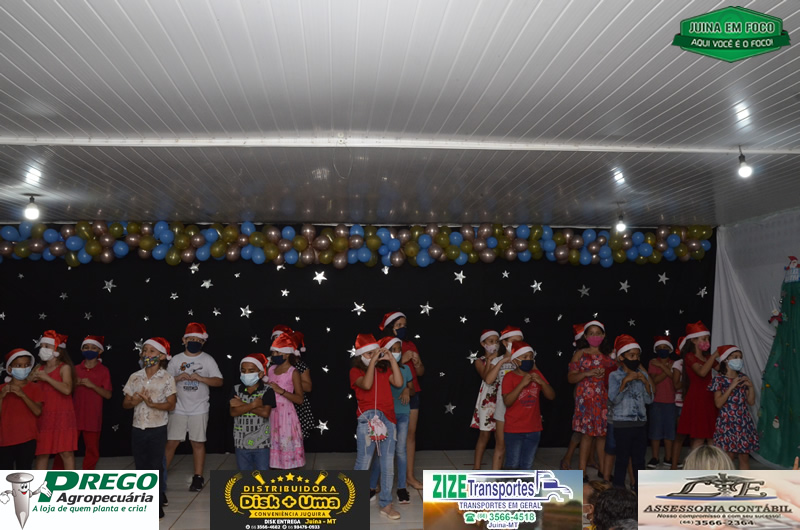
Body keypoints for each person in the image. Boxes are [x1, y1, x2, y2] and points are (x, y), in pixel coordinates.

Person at [351, 333, 404, 520]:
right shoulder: (355, 371)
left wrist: (391, 360)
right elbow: (366, 385)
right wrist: (373, 362)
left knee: (387, 464)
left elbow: (399, 383)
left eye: (376, 353)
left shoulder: (384, 370)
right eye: (369, 354)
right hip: (368, 418)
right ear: (361, 355)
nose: (374, 356)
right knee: (364, 462)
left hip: (388, 419)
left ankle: (386, 504)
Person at [165, 322, 224, 492]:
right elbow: (164, 382)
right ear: (184, 340)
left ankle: (198, 477)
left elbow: (219, 381)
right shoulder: (176, 359)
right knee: (172, 442)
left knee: (197, 442)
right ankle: (160, 475)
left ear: (203, 342)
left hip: (199, 408)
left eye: (198, 340)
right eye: (190, 339)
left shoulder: (207, 359)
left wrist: (202, 379)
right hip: (178, 407)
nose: (194, 342)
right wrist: (177, 378)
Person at [122, 337, 177, 519]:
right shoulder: (135, 377)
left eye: (152, 351)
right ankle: (143, 502)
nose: (147, 354)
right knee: (141, 466)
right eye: (145, 350)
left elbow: (171, 404)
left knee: (155, 466)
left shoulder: (167, 378)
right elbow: (125, 404)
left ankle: (156, 503)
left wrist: (153, 404)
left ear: (161, 356)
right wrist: (134, 401)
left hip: (157, 428)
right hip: (138, 427)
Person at [379, 312, 424, 490]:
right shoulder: (384, 345)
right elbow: (381, 371)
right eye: (398, 325)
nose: (402, 328)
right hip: (392, 395)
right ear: (390, 327)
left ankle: (409, 477)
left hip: (413, 393)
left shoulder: (411, 344)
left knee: (409, 436)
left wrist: (418, 363)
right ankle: (380, 479)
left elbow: (420, 372)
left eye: (404, 325)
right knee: (385, 438)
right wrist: (401, 360)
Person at [568, 321, 616, 481]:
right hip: (586, 399)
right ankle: (582, 471)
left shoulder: (609, 355)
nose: (595, 336)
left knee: (602, 435)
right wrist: (587, 373)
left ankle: (603, 469)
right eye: (591, 333)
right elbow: (570, 378)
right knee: (587, 435)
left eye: (598, 333)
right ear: (586, 336)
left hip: (604, 399)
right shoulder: (580, 354)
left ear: (603, 335)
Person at [369, 336, 414, 504]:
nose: (396, 352)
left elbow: (412, 388)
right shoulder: (380, 370)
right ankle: (371, 486)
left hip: (402, 413)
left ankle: (401, 488)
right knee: (382, 451)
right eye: (392, 350)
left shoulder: (406, 369)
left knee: (400, 450)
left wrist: (407, 390)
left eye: (398, 349)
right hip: (385, 415)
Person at [607, 334, 654, 490]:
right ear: (621, 357)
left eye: (637, 356)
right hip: (622, 425)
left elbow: (649, 400)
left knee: (639, 460)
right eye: (631, 355)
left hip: (640, 424)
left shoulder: (643, 375)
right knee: (622, 459)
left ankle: (640, 490)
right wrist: (625, 382)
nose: (635, 359)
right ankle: (619, 491)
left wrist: (646, 383)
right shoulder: (615, 376)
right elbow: (614, 399)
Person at [501, 341, 554, 469]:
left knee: (527, 464)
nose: (529, 360)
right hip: (514, 429)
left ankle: (524, 482)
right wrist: (522, 384)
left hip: (534, 429)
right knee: (512, 464)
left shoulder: (537, 375)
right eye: (525, 357)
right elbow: (507, 402)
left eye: (531, 357)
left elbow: (551, 396)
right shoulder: (509, 377)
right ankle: (510, 482)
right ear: (516, 360)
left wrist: (542, 382)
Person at [62, 335, 112, 470]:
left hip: (92, 417)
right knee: (65, 447)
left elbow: (108, 395)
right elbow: (64, 390)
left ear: (100, 351)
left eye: (93, 348)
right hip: (73, 416)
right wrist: (73, 384)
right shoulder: (74, 369)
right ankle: (58, 473)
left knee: (92, 449)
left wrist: (93, 386)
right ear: (81, 350)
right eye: (86, 347)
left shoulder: (104, 370)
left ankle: (87, 474)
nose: (89, 350)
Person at [32, 330, 77, 470]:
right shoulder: (39, 368)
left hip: (62, 416)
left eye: (47, 346)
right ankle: (39, 483)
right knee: (42, 453)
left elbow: (67, 389)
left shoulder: (64, 368)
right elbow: (28, 384)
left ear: (58, 350)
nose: (43, 349)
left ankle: (71, 482)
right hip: (44, 415)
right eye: (42, 346)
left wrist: (47, 378)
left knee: (66, 452)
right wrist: (30, 378)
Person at [710, 345, 758, 469]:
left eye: (740, 357)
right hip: (727, 422)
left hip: (743, 422)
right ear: (726, 360)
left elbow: (751, 402)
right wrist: (731, 386)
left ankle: (744, 480)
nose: (739, 360)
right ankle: (727, 480)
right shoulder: (719, 379)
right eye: (735, 357)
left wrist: (751, 387)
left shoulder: (742, 377)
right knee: (728, 457)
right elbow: (718, 403)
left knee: (744, 457)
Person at [484, 326, 524, 470]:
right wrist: (502, 361)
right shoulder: (497, 360)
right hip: (503, 408)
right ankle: (496, 477)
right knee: (501, 445)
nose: (517, 344)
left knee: (518, 446)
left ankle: (516, 477)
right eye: (514, 341)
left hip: (521, 408)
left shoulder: (524, 358)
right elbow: (489, 380)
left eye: (520, 341)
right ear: (505, 343)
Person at [676, 322, 718, 454]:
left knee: (712, 436)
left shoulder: (707, 357)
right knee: (699, 437)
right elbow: (702, 373)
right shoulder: (690, 357)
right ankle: (693, 465)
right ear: (694, 340)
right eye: (704, 339)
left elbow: (722, 370)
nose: (707, 342)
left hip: (710, 398)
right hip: (697, 398)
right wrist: (714, 356)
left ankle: (714, 464)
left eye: (708, 339)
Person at [230, 353, 275, 471]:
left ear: (260, 374)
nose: (246, 374)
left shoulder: (267, 390)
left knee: (263, 472)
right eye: (243, 371)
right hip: (240, 442)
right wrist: (253, 405)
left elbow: (265, 413)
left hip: (262, 443)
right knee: (245, 472)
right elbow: (233, 412)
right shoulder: (236, 389)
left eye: (251, 371)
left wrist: (242, 404)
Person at [0, 349, 43, 470]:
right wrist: (1, 397)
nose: (23, 368)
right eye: (18, 366)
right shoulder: (2, 388)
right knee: (5, 472)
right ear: (9, 369)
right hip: (5, 439)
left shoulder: (35, 388)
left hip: (27, 439)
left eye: (26, 365)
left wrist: (23, 395)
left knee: (24, 471)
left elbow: (38, 411)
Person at [267, 332, 305, 469]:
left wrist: (281, 391)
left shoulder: (293, 372)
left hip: (286, 416)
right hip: (271, 413)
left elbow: (299, 399)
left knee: (286, 444)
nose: (274, 355)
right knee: (273, 445)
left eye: (278, 353)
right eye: (273, 353)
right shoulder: (271, 369)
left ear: (287, 354)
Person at [272, 325, 314, 440]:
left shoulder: (299, 365)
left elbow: (308, 387)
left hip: (294, 406)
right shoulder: (271, 366)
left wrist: (287, 379)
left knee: (292, 438)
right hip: (275, 407)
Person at [470, 329, 499, 469]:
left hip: (502, 398)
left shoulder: (502, 359)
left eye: (497, 341)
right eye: (491, 341)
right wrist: (489, 361)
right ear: (483, 343)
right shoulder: (479, 361)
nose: (494, 344)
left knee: (500, 436)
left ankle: (498, 467)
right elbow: (486, 377)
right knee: (484, 435)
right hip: (488, 400)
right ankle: (476, 467)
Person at [647, 336, 676, 469]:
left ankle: (668, 458)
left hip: (671, 401)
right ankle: (655, 457)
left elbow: (674, 378)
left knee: (670, 432)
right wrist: (666, 368)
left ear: (670, 349)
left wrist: (662, 367)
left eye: (665, 347)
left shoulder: (675, 363)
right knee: (656, 431)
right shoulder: (653, 362)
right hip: (656, 401)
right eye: (660, 348)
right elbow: (654, 380)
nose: (663, 350)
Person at [669, 336, 686, 469]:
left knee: (696, 437)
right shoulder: (678, 364)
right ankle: (674, 466)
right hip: (681, 404)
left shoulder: (700, 362)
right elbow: (676, 385)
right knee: (680, 435)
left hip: (695, 402)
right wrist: (689, 377)